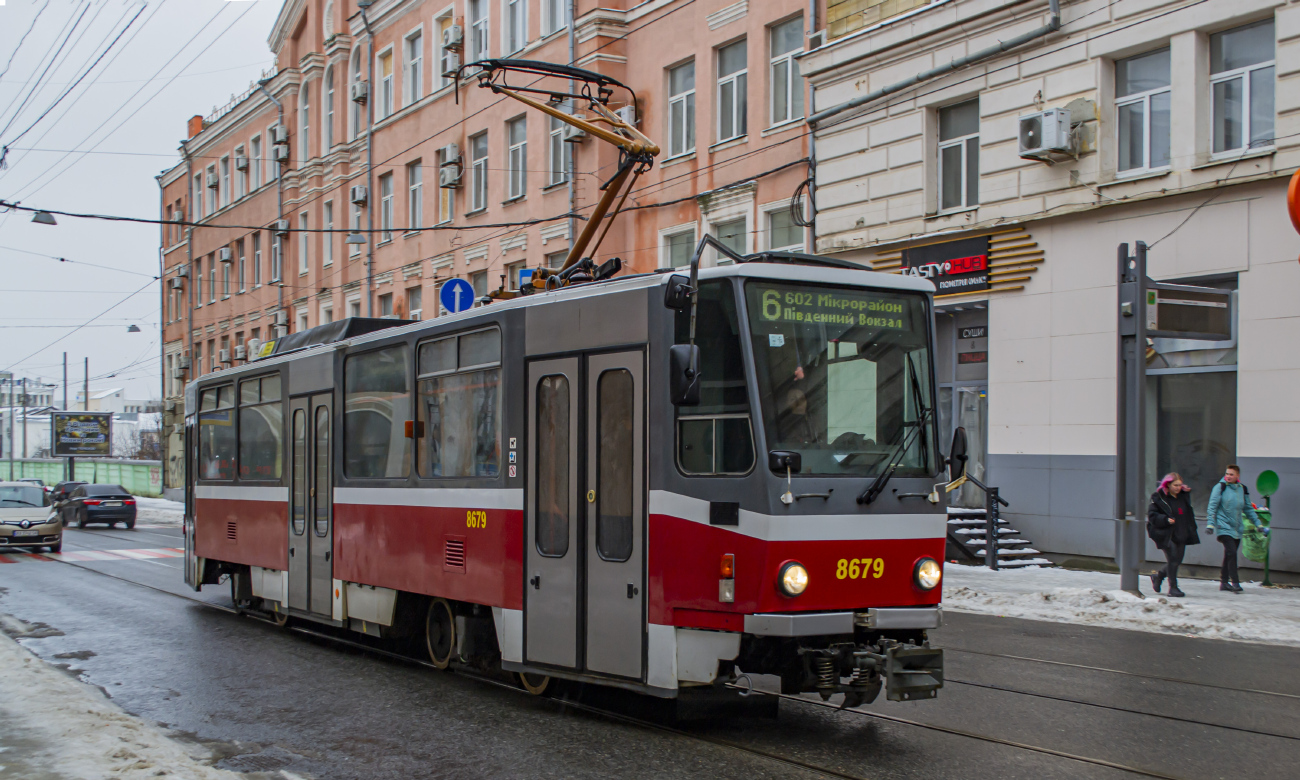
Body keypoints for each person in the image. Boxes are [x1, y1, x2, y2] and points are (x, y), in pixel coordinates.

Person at [1206, 464, 1260, 593]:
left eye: (1231, 474)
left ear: (1237, 476)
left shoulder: (1242, 489)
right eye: (1227, 474)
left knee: (1229, 554)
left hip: (1237, 528)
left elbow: (1248, 508)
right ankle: (1235, 582)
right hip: (1223, 526)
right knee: (1232, 552)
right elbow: (1212, 506)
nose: (1228, 476)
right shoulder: (1220, 487)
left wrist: (1259, 524)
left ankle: (1224, 582)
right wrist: (1210, 524)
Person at [1147, 473, 1199, 597]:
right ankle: (1173, 587)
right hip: (1166, 534)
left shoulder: (1183, 497)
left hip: (1181, 533)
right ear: (1168, 485)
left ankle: (1158, 576)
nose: (1178, 488)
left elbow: (1188, 513)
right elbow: (1152, 515)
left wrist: (1192, 528)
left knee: (1176, 561)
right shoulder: (1159, 498)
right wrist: (1165, 519)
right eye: (1175, 485)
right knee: (1173, 559)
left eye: (1180, 485)